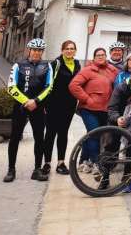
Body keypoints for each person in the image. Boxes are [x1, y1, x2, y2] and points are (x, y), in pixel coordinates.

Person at [4, 38, 54, 183]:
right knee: (14, 138)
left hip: (38, 107)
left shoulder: (47, 66)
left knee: (39, 138)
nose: (37, 53)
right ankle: (11, 169)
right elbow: (11, 87)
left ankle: (37, 170)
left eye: (40, 50)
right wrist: (26, 101)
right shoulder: (18, 65)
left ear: (42, 52)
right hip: (21, 106)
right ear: (29, 50)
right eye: (35, 50)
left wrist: (36, 101)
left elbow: (49, 87)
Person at [69, 47, 118, 175]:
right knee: (94, 134)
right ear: (94, 57)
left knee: (92, 134)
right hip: (88, 109)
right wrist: (87, 99)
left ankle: (84, 160)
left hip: (105, 109)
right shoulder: (88, 70)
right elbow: (73, 85)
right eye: (98, 55)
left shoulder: (112, 70)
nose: (101, 57)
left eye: (103, 55)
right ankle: (97, 163)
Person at [43, 39, 80, 176]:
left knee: (63, 133)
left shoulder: (76, 64)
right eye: (67, 48)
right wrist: (45, 104)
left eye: (72, 48)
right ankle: (46, 163)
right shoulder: (55, 63)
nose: (70, 51)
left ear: (75, 51)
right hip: (53, 104)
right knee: (50, 133)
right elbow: (47, 84)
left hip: (69, 105)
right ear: (62, 50)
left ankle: (60, 163)